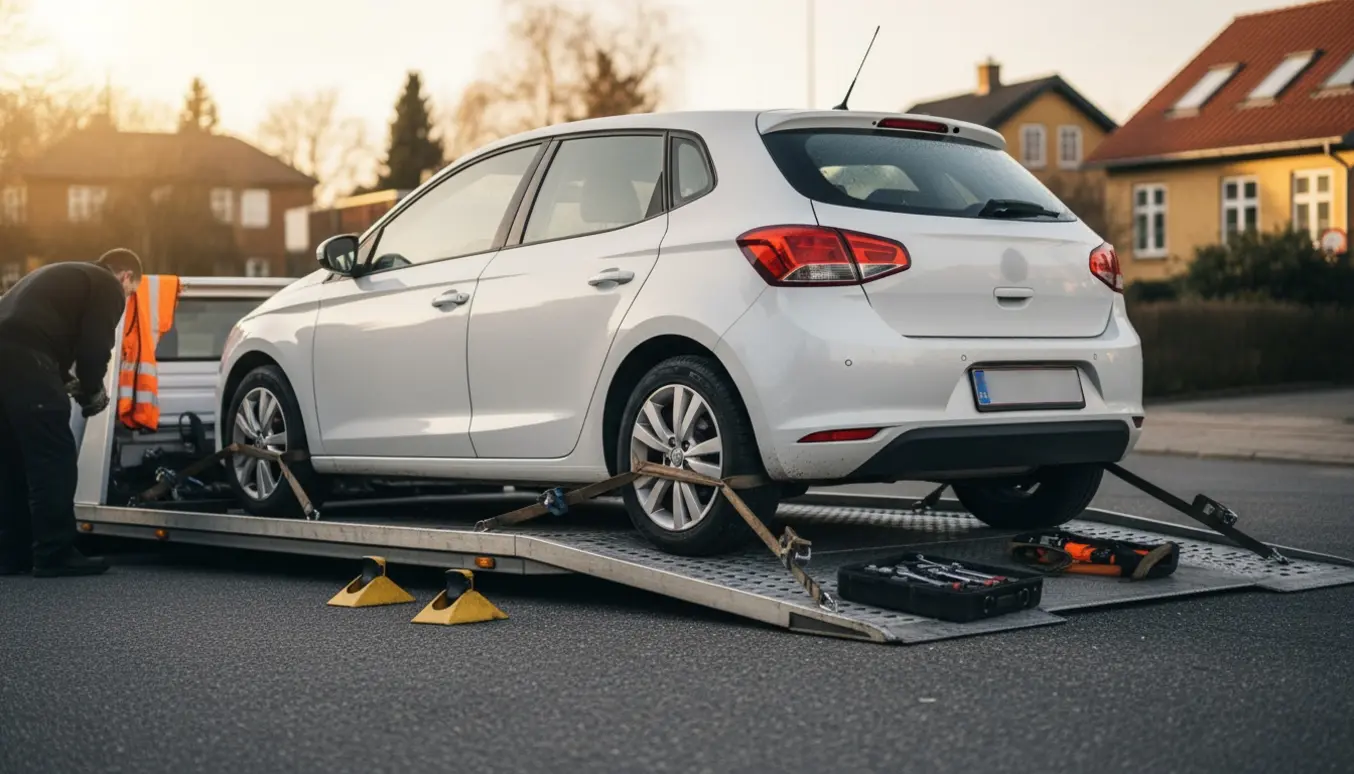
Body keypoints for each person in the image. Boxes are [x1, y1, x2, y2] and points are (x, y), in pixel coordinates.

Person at [0, 248, 141, 577]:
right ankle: (55, 553)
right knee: (54, 460)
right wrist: (92, 389)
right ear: (126, 276)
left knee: (12, 463)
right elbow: (95, 345)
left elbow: (30, 331)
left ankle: (11, 554)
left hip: (13, 359)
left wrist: (62, 378)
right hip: (28, 362)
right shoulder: (106, 284)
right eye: (130, 292)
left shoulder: (61, 275)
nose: (126, 298)